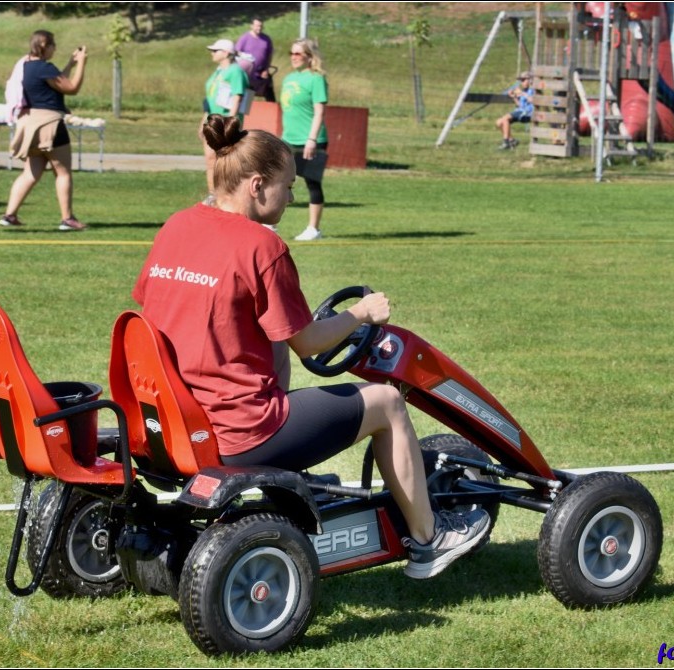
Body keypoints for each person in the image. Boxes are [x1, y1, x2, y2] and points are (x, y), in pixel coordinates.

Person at [132, 114, 491, 580]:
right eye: (288, 186)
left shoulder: (177, 226)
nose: (292, 197)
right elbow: (307, 343)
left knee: (275, 359)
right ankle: (429, 539)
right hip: (240, 431)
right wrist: (362, 314)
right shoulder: (262, 245)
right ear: (257, 185)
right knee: (385, 402)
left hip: (175, 422)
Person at [0, 30, 88, 232]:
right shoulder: (44, 67)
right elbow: (71, 87)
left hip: (30, 126)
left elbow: (55, 83)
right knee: (63, 172)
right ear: (44, 45)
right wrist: (82, 62)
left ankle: (9, 214)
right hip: (50, 125)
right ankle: (67, 219)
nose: (54, 48)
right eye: (53, 45)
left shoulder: (27, 66)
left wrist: (69, 65)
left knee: (30, 173)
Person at [281, 38, 329, 242]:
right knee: (279, 180)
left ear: (309, 56)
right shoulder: (288, 78)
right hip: (288, 139)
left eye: (298, 53)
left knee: (312, 183)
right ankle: (271, 224)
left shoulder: (316, 79)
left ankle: (313, 229)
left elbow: (319, 112)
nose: (293, 57)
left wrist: (311, 139)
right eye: (291, 53)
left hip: (311, 139)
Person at [199, 38, 250, 201]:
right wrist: (203, 121)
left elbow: (237, 97)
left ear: (226, 53)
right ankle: (213, 194)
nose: (212, 54)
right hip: (213, 119)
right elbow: (210, 98)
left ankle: (229, 194)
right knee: (210, 158)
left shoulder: (235, 71)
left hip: (225, 121)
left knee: (227, 159)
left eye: (215, 51)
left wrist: (230, 122)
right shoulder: (218, 71)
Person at [236, 18, 276, 102]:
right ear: (251, 26)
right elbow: (237, 52)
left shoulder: (266, 39)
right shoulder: (245, 38)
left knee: (269, 92)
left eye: (261, 26)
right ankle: (243, 112)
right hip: (248, 73)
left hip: (262, 72)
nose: (259, 28)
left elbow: (269, 55)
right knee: (247, 97)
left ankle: (273, 111)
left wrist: (266, 69)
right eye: (257, 26)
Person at [495, 72, 534, 150]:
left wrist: (522, 93)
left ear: (530, 80)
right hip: (520, 111)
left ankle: (506, 143)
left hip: (527, 113)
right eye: (521, 80)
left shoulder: (533, 90)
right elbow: (520, 105)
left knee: (505, 118)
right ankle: (512, 140)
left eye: (523, 80)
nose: (521, 82)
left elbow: (533, 100)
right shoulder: (524, 90)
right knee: (499, 122)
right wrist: (514, 97)